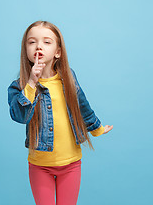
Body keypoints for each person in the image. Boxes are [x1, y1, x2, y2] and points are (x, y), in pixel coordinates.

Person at [7, 20, 113, 205]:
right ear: (26, 51)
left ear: (58, 52)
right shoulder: (20, 86)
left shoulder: (69, 77)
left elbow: (83, 105)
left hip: (71, 164)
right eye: (32, 42)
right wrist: (32, 82)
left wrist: (97, 129)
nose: (39, 46)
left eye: (46, 42)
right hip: (40, 165)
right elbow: (19, 116)